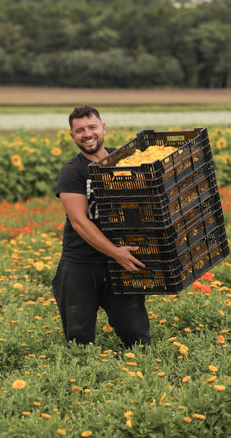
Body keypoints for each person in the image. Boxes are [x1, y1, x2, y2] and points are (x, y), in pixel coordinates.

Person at [52, 105, 151, 349]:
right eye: (79, 130)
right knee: (79, 340)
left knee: (136, 337)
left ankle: (138, 379)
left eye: (92, 127)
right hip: (81, 264)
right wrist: (116, 252)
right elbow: (79, 222)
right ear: (72, 136)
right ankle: (84, 384)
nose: (87, 134)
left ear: (103, 128)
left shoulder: (127, 160)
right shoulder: (72, 171)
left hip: (121, 263)